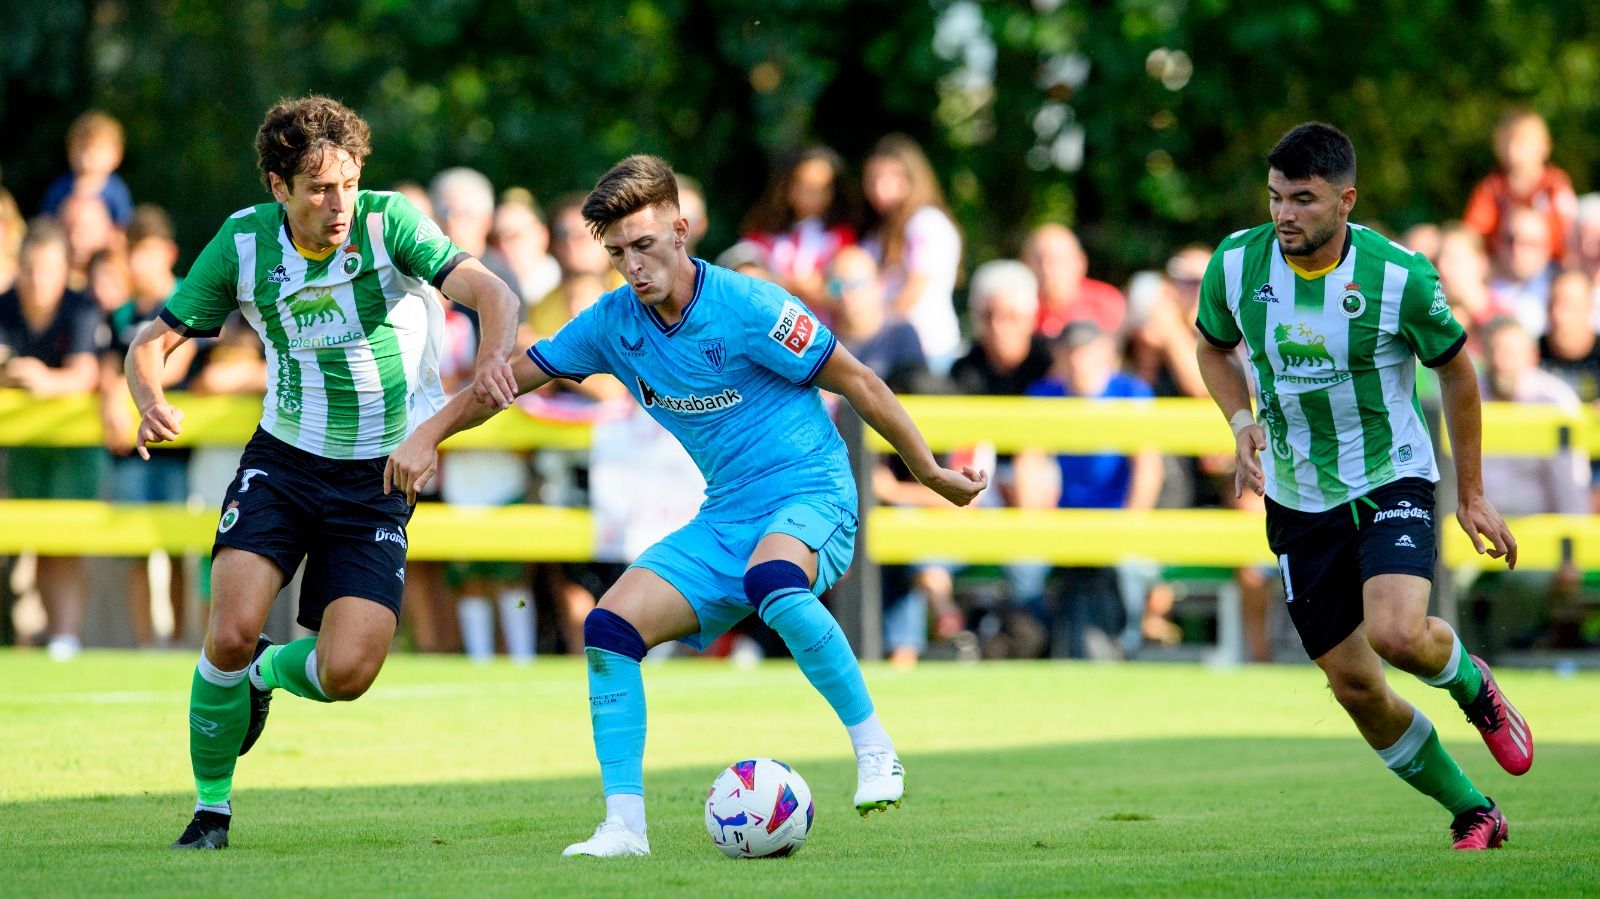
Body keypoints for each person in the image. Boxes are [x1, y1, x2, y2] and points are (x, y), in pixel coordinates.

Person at [386, 154, 987, 857]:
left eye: (643, 246)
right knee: (609, 626)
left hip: (813, 497)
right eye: (616, 253)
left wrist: (931, 473)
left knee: (773, 580)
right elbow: (507, 383)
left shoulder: (750, 306)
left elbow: (858, 379)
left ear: (681, 229)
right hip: (727, 517)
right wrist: (426, 434)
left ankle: (875, 747)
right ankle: (625, 828)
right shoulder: (611, 324)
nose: (633, 267)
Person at [125, 96, 520, 851]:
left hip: (379, 473)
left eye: (346, 182)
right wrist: (150, 399)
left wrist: (495, 353)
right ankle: (211, 810)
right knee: (231, 630)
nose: (337, 203)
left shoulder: (388, 222)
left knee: (348, 670)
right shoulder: (242, 245)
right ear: (279, 188)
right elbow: (152, 341)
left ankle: (269, 675)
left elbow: (491, 292)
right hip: (283, 458)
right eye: (317, 189)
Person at [1195, 122, 1528, 851]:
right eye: (1277, 197)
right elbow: (1213, 349)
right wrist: (1241, 420)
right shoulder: (1234, 266)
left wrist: (1471, 493)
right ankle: (1474, 809)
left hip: (1390, 475)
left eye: (1304, 200)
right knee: (1354, 685)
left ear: (1346, 200)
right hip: (1295, 496)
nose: (1285, 214)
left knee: (1397, 632)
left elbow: (1459, 372)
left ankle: (1473, 686)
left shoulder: (1398, 275)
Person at [1016, 320, 1164, 658]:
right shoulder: (1043, 394)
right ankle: (1037, 646)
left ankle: (1128, 648)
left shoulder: (1132, 392)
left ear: (1106, 353)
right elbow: (1030, 463)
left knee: (1132, 568)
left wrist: (1130, 524)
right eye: (1070, 351)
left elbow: (1148, 469)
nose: (1078, 360)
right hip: (1058, 522)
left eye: (1085, 351)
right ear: (1059, 355)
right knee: (1023, 567)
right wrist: (1033, 524)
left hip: (1117, 521)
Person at [0, 219, 103, 661]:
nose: (38, 279)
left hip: (74, 445)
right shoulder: (4, 306)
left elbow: (86, 374)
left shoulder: (81, 308)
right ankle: (50, 633)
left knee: (66, 542)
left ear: (64, 270)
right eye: (31, 268)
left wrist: (42, 379)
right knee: (34, 540)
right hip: (24, 445)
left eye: (47, 269)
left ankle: (65, 634)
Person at [100, 206, 196, 648]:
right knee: (135, 548)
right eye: (133, 253)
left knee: (176, 547)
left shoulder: (189, 297)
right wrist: (111, 399)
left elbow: (175, 366)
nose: (139, 263)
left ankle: (175, 641)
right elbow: (106, 367)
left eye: (147, 252)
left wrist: (127, 393)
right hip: (130, 450)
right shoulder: (119, 315)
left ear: (168, 253)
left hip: (179, 447)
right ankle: (145, 645)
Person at [861, 135, 962, 374]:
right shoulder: (880, 232)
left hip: (927, 348)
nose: (878, 186)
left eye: (889, 177)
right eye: (873, 178)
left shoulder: (927, 223)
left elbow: (914, 290)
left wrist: (868, 325)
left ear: (911, 179)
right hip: (892, 345)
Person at [742, 146, 857, 317]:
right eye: (804, 185)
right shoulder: (764, 232)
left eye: (821, 188)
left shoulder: (841, 237)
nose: (811, 194)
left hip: (823, 331)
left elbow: (844, 291)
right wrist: (797, 285)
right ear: (787, 185)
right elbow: (744, 279)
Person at [1464, 109, 1576, 269]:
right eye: (1507, 141)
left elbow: (1567, 234)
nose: (1513, 149)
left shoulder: (1554, 185)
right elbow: (1474, 234)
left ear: (1544, 146)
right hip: (1501, 269)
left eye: (1522, 142)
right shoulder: (1491, 187)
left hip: (1550, 268)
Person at [1022, 223, 1126, 337]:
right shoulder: (1017, 310)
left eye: (1057, 260)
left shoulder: (1105, 303)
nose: (1047, 269)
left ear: (1080, 262)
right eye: (1038, 260)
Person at [40, 110, 135, 227]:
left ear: (116, 156)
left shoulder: (116, 191)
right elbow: (46, 223)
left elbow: (123, 226)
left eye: (97, 150)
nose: (87, 156)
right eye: (81, 148)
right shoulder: (60, 187)